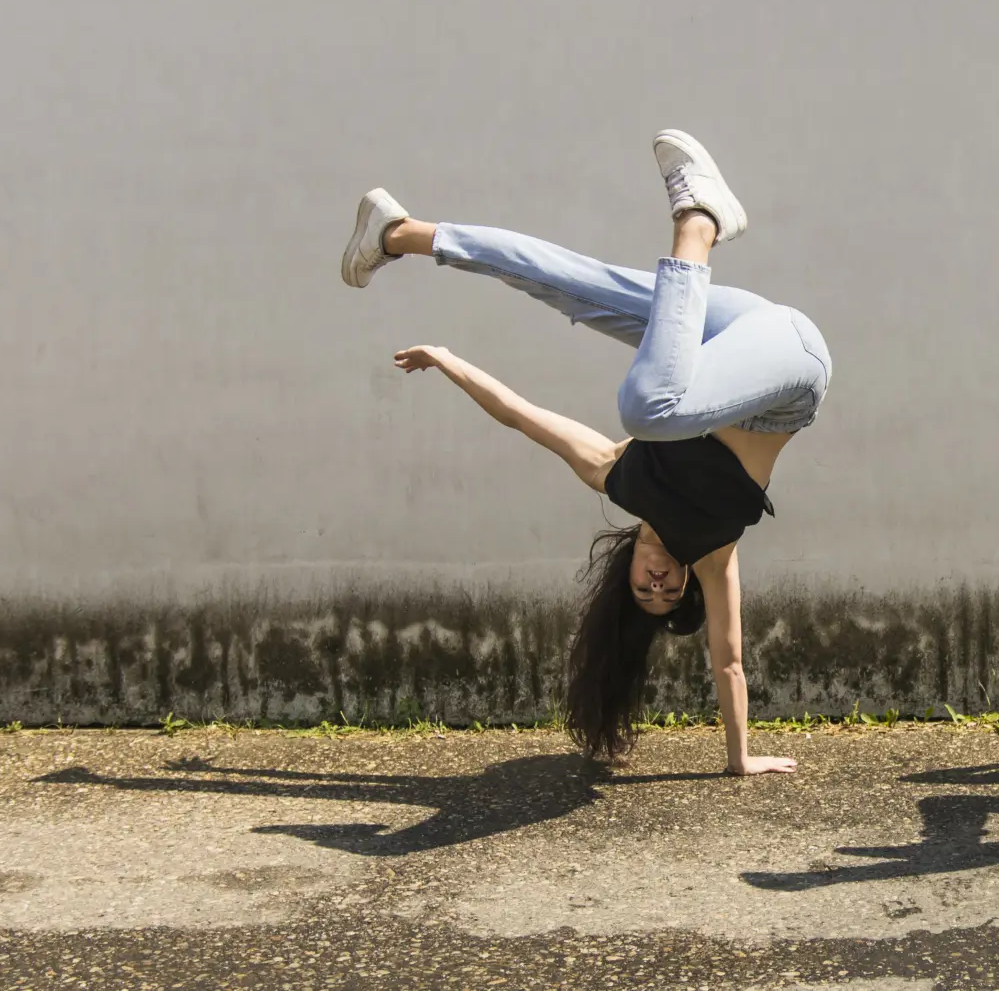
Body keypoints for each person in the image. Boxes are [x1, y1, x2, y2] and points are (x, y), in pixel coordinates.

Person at [339, 130, 829, 776]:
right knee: (648, 410)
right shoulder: (713, 555)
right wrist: (741, 759)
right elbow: (729, 660)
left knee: (565, 285)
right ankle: (699, 220)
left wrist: (449, 360)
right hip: (791, 375)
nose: (658, 586)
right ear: (686, 582)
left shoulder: (612, 475)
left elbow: (521, 417)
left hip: (740, 334)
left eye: (644, 593)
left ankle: (398, 233)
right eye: (668, 593)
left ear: (627, 575)